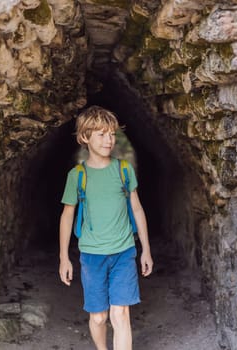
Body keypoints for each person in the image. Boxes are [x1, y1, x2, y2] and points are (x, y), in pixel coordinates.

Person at [58, 106, 153, 350]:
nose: (108, 140)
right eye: (101, 134)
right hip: (91, 256)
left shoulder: (123, 170)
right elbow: (67, 216)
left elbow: (138, 209)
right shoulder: (77, 176)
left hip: (124, 251)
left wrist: (146, 250)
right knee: (99, 317)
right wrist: (64, 258)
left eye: (111, 134)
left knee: (120, 314)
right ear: (84, 137)